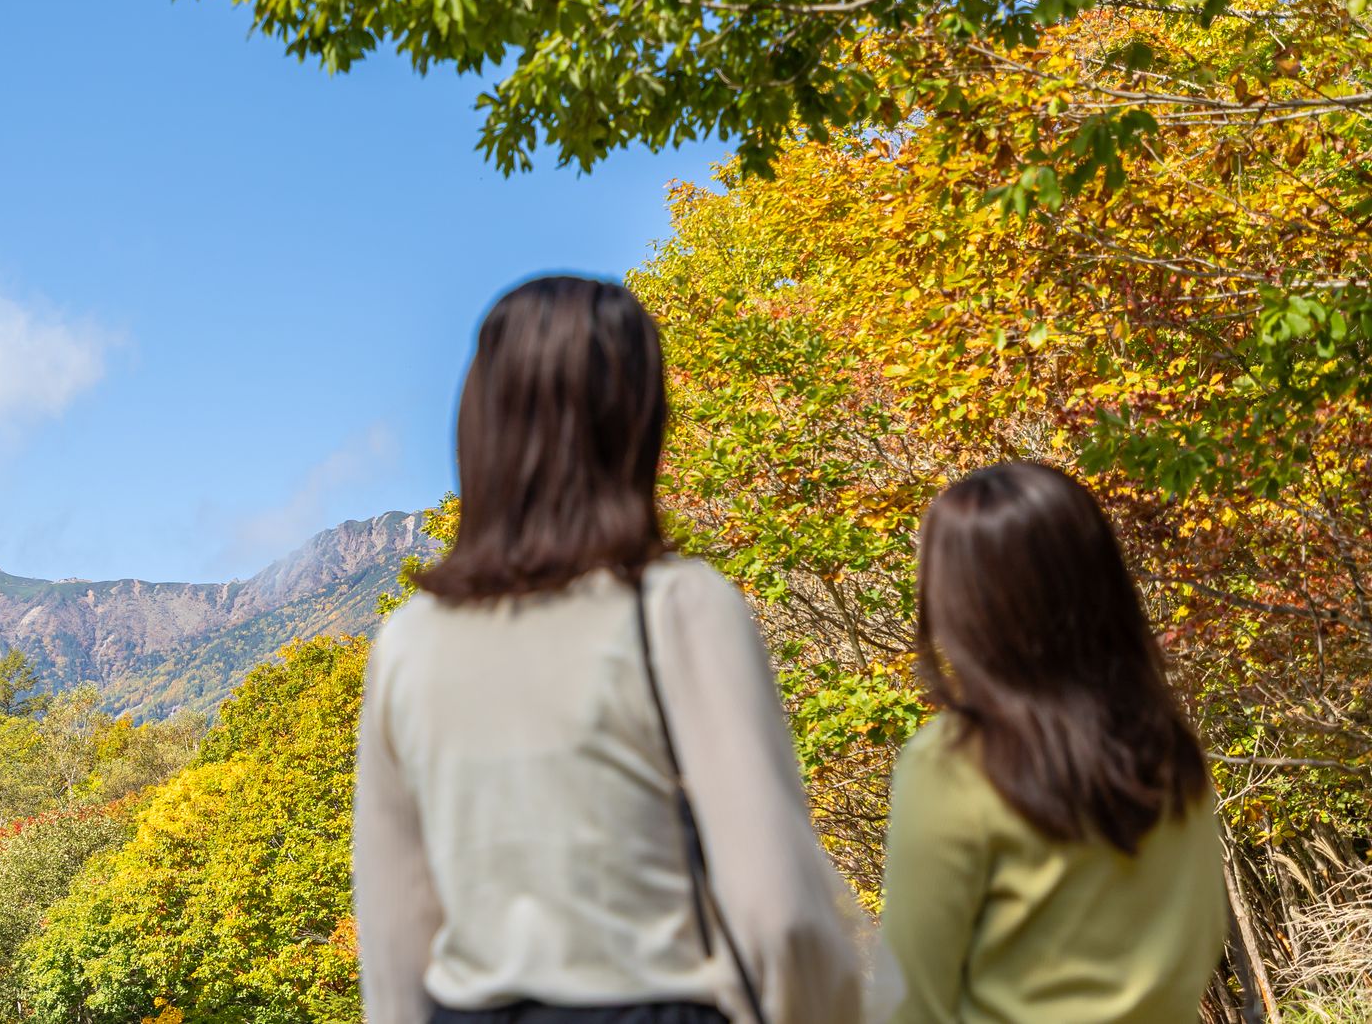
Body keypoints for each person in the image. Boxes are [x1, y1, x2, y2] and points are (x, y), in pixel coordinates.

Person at [353, 275, 865, 1024]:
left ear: (479, 426)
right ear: (637, 420)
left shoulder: (409, 640)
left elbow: (394, 939)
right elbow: (781, 911)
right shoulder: (677, 608)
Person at [881, 462, 1226, 1023]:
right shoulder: (1168, 748)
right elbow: (1204, 934)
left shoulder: (953, 763)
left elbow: (910, 1002)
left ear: (960, 606)